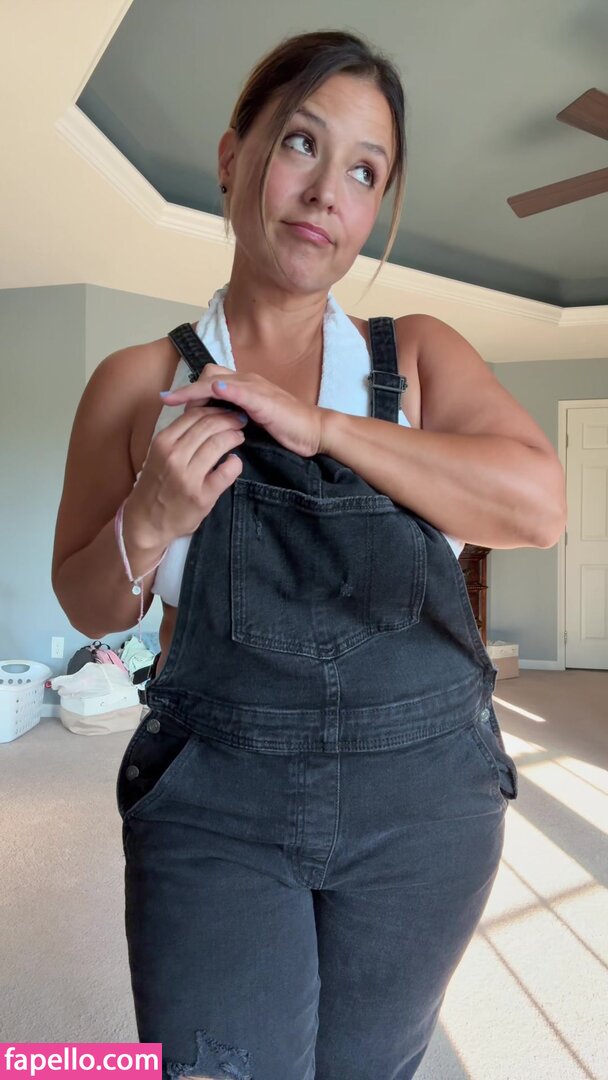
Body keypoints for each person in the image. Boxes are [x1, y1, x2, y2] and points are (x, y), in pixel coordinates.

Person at [52, 29, 566, 1080]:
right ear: (233, 155)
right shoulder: (135, 386)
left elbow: (538, 505)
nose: (328, 190)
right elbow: (91, 606)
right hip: (215, 808)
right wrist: (148, 518)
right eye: (300, 142)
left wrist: (326, 428)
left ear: (375, 209)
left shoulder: (416, 358)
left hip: (425, 812)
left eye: (365, 172)